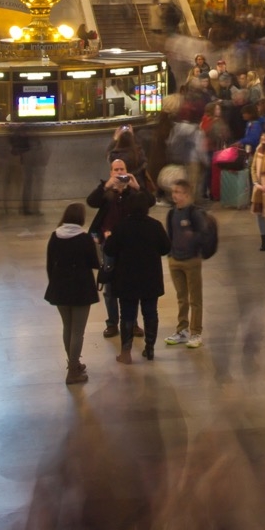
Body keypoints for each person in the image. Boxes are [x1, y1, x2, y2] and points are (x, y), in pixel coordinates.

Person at [87, 158, 151, 338]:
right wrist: (107, 186)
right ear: (111, 172)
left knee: (132, 284)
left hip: (130, 244)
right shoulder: (106, 191)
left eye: (122, 168)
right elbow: (91, 201)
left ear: (127, 171)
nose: (119, 172)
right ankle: (112, 323)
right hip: (109, 244)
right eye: (115, 169)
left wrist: (137, 186)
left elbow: (150, 201)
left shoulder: (134, 192)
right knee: (109, 287)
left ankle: (132, 323)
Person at [45, 204, 101, 384]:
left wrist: (54, 282)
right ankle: (73, 371)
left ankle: (73, 364)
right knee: (78, 330)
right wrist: (97, 246)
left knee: (67, 328)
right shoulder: (84, 239)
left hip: (60, 286)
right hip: (81, 287)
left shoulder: (55, 235)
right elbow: (95, 263)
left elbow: (49, 263)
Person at [109, 194, 169, 363]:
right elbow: (166, 248)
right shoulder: (155, 226)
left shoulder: (121, 227)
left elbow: (109, 250)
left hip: (126, 278)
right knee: (150, 312)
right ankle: (149, 348)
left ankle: (126, 353)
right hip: (150, 278)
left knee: (127, 314)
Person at [165, 179, 213, 347]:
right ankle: (182, 330)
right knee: (181, 298)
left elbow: (204, 233)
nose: (174, 195)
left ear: (186, 194)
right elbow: (169, 235)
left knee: (195, 299)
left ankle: (196, 332)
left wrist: (192, 238)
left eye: (178, 192)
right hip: (175, 260)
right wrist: (170, 255)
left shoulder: (194, 213)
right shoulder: (171, 213)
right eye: (173, 192)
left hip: (191, 260)